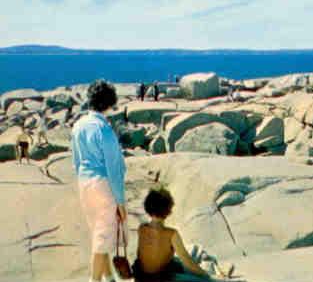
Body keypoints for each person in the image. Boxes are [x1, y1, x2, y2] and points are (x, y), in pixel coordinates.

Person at [71, 80, 127, 282]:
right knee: (102, 239)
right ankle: (94, 280)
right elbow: (114, 170)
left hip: (84, 183)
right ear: (109, 103)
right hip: (103, 185)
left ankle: (109, 277)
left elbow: (76, 161)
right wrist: (120, 202)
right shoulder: (104, 130)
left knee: (98, 231)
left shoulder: (78, 126)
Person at [133, 188, 231, 281]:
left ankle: (211, 270)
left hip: (141, 278)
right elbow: (187, 262)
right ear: (168, 210)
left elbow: (142, 256)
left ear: (148, 208)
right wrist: (207, 276)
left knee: (191, 251)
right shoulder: (171, 234)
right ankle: (214, 272)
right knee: (201, 275)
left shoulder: (141, 228)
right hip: (163, 278)